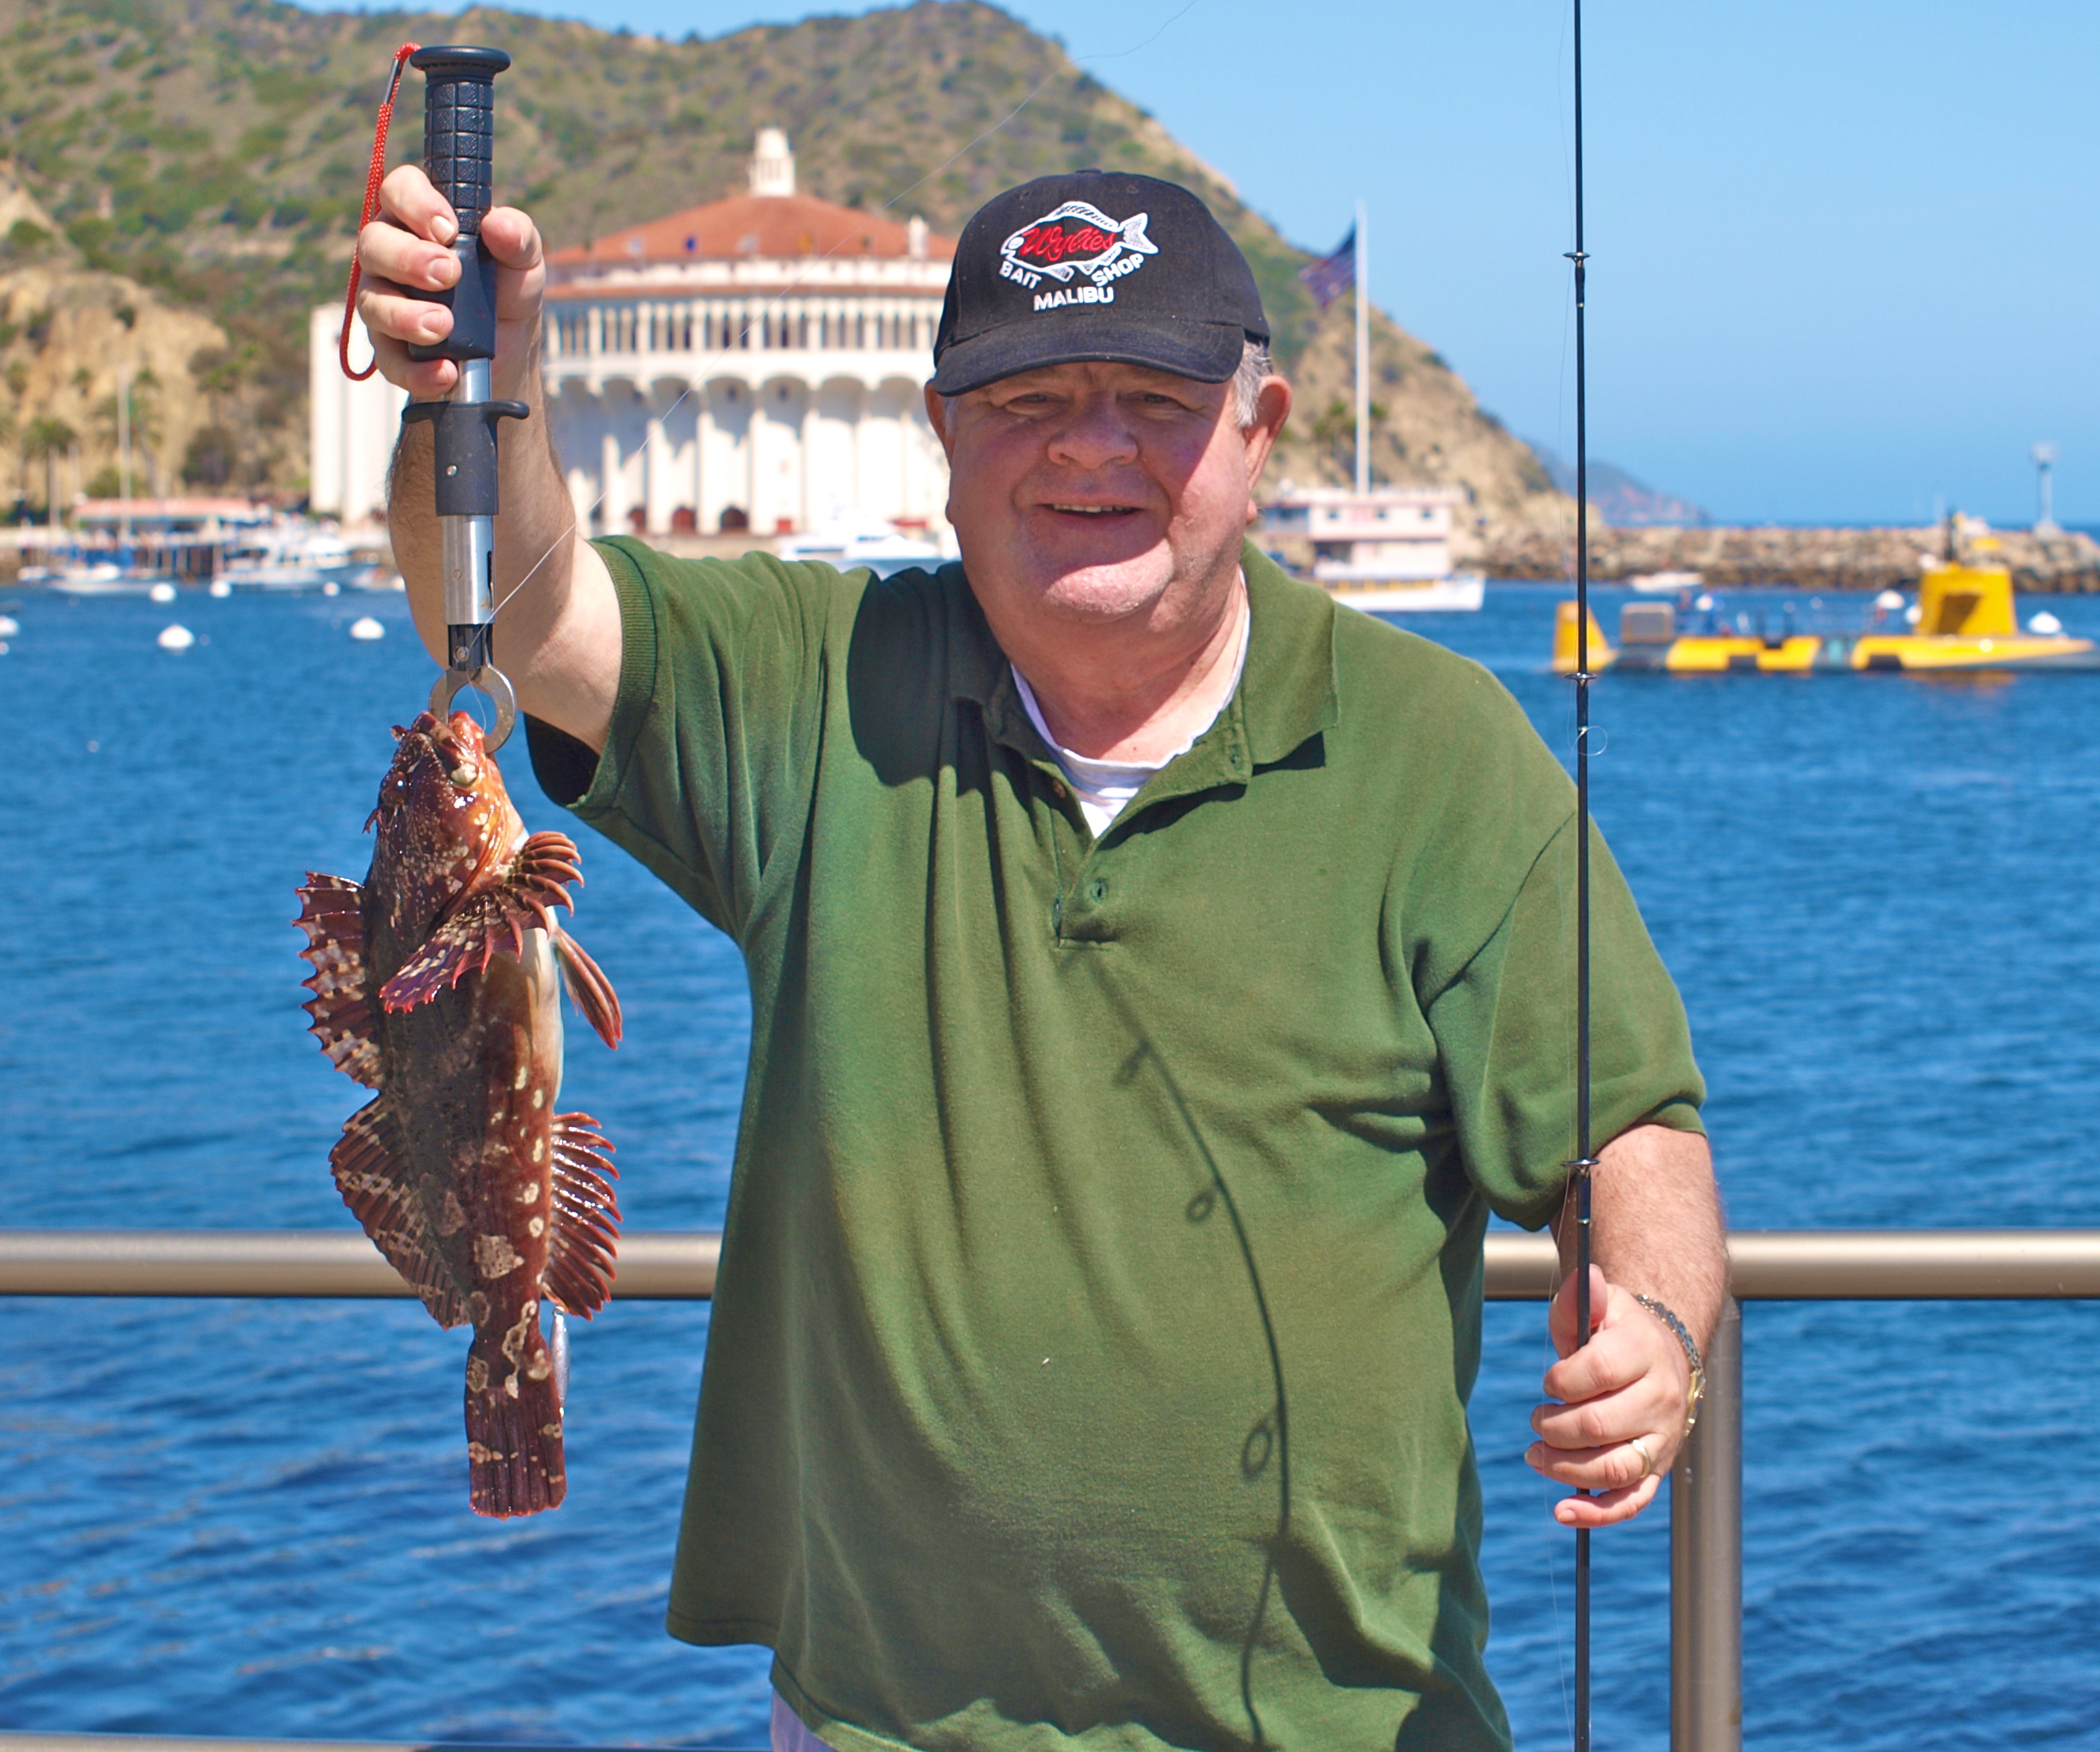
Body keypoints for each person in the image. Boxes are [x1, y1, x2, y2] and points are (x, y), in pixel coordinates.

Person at [356, 162, 1725, 1751]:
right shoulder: (822, 688)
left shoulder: (1442, 752)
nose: (1091, 444)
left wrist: (1660, 1339)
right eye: (1029, 398)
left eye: (1154, 395)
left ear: (1259, 431)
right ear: (943, 434)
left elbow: (1630, 1125)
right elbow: (522, 613)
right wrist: (482, 390)